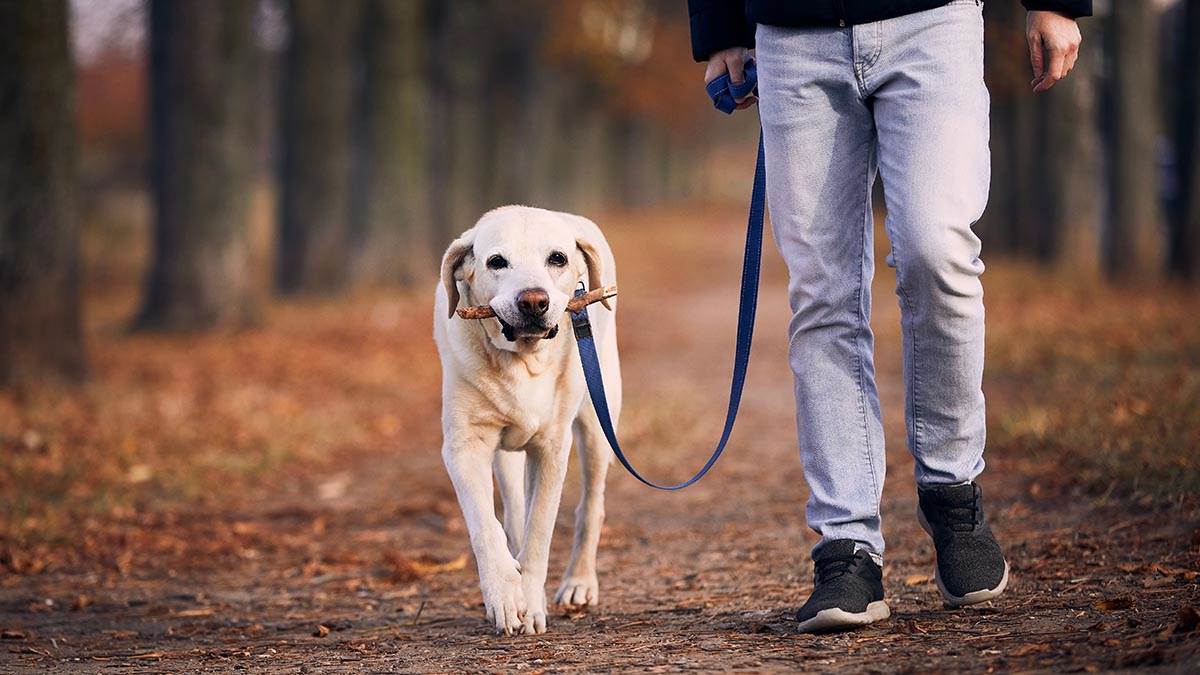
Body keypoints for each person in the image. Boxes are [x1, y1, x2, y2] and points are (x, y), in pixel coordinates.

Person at [687, 0, 1090, 632]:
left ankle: (952, 491)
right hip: (795, 37)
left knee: (939, 253)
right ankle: (846, 547)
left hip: (931, 20)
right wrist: (721, 30)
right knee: (823, 292)